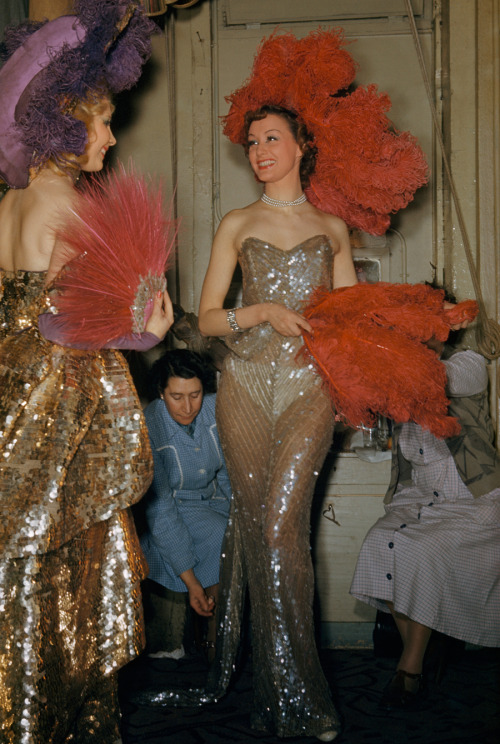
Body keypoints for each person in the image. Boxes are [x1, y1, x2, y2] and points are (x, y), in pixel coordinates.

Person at [194, 28, 429, 742]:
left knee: (279, 527)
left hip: (308, 389)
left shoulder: (333, 227)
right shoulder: (237, 222)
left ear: (302, 146)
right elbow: (206, 318)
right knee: (259, 522)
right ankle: (267, 678)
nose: (261, 151)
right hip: (241, 382)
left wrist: (365, 366)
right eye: (253, 142)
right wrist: (259, 311)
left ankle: (296, 695)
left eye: (272, 139)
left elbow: (351, 321)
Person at [0, 3, 174, 742]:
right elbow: (61, 325)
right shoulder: (69, 203)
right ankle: (42, 714)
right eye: (100, 121)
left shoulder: (10, 201)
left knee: (18, 564)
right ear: (63, 124)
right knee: (54, 566)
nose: (110, 135)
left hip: (8, 393)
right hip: (56, 408)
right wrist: (146, 334)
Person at [350, 338, 500, 710]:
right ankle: (422, 648)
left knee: (419, 550)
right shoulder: (397, 377)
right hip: (419, 498)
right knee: (378, 543)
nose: (413, 337)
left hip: (472, 500)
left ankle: (410, 668)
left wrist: (389, 363)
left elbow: (435, 377)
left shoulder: (468, 365)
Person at [139, 349, 231, 661]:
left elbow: (232, 473)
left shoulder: (217, 408)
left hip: (216, 499)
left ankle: (223, 636)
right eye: (176, 396)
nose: (188, 406)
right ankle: (216, 642)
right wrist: (192, 585)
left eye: (196, 394)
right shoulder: (150, 425)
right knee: (220, 535)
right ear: (160, 393)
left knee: (242, 533)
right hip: (173, 509)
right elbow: (160, 508)